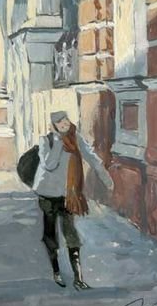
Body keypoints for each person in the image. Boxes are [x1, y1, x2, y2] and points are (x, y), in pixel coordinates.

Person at [33, 111, 114, 290]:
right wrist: (58, 141)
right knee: (50, 234)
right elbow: (49, 164)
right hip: (48, 194)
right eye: (59, 122)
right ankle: (56, 271)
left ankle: (78, 278)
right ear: (54, 126)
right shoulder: (46, 141)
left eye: (65, 120)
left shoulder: (76, 138)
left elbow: (92, 157)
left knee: (71, 233)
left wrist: (106, 178)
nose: (64, 124)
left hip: (68, 195)